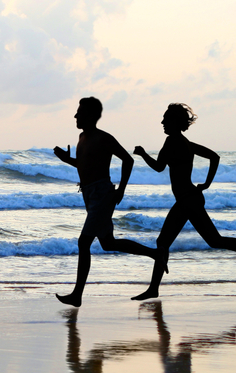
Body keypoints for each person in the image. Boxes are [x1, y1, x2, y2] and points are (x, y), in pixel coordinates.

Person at [131, 103, 236, 301]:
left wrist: (143, 154)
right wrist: (206, 184)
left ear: (175, 122)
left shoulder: (172, 142)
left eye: (165, 118)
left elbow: (158, 167)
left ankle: (154, 289)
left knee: (166, 242)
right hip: (190, 198)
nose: (162, 122)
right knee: (214, 241)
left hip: (188, 200)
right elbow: (213, 157)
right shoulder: (186, 143)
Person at [53, 97, 161, 307]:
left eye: (80, 112)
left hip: (102, 193)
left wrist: (121, 189)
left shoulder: (104, 138)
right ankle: (154, 254)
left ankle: (77, 295)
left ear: (92, 116)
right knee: (108, 243)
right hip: (88, 194)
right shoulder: (81, 137)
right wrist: (66, 160)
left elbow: (127, 159)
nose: (75, 116)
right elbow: (84, 166)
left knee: (84, 242)